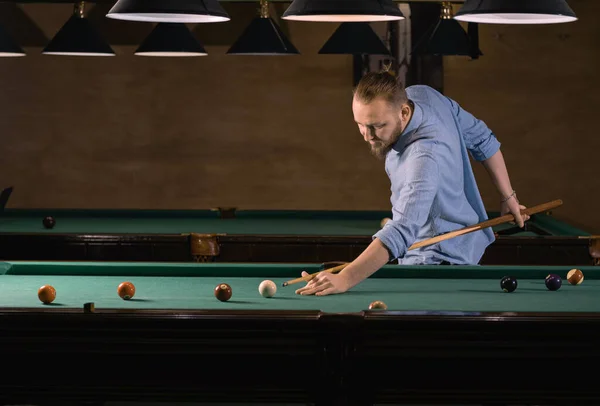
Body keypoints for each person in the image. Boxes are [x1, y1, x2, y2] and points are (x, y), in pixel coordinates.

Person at [296, 71, 528, 297]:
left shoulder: (424, 157)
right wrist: (509, 197)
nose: (367, 135)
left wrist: (345, 278)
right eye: (360, 124)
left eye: (377, 126)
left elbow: (402, 230)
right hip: (449, 252)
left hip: (434, 263)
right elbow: (482, 139)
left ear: (404, 112)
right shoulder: (423, 95)